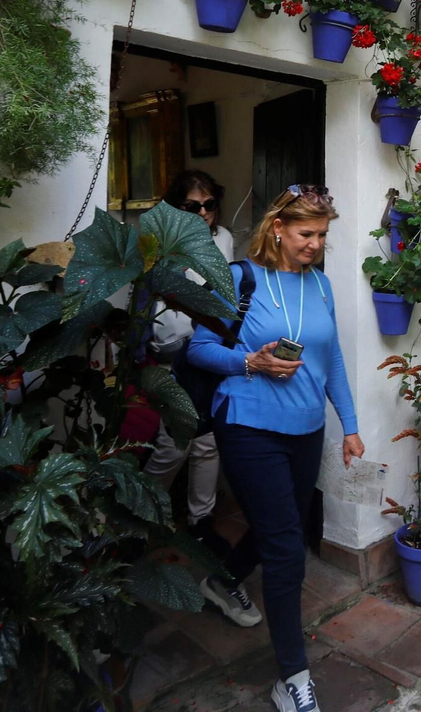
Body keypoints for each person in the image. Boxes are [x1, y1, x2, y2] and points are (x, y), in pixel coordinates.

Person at [187, 184, 364, 712]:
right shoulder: (240, 279)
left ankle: (221, 583)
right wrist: (252, 362)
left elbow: (331, 359)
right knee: (287, 548)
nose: (316, 244)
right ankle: (292, 677)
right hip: (248, 424)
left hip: (306, 428)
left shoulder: (322, 285)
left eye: (323, 235)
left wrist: (350, 426)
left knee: (279, 525)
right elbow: (199, 348)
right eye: (307, 233)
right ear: (278, 228)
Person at [147, 170, 237, 557]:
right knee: (173, 442)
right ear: (175, 207)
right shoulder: (160, 241)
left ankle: (201, 518)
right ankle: (144, 514)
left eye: (209, 204)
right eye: (192, 206)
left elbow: (224, 292)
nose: (202, 212)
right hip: (172, 347)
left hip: (208, 347)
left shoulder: (224, 239)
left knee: (207, 443)